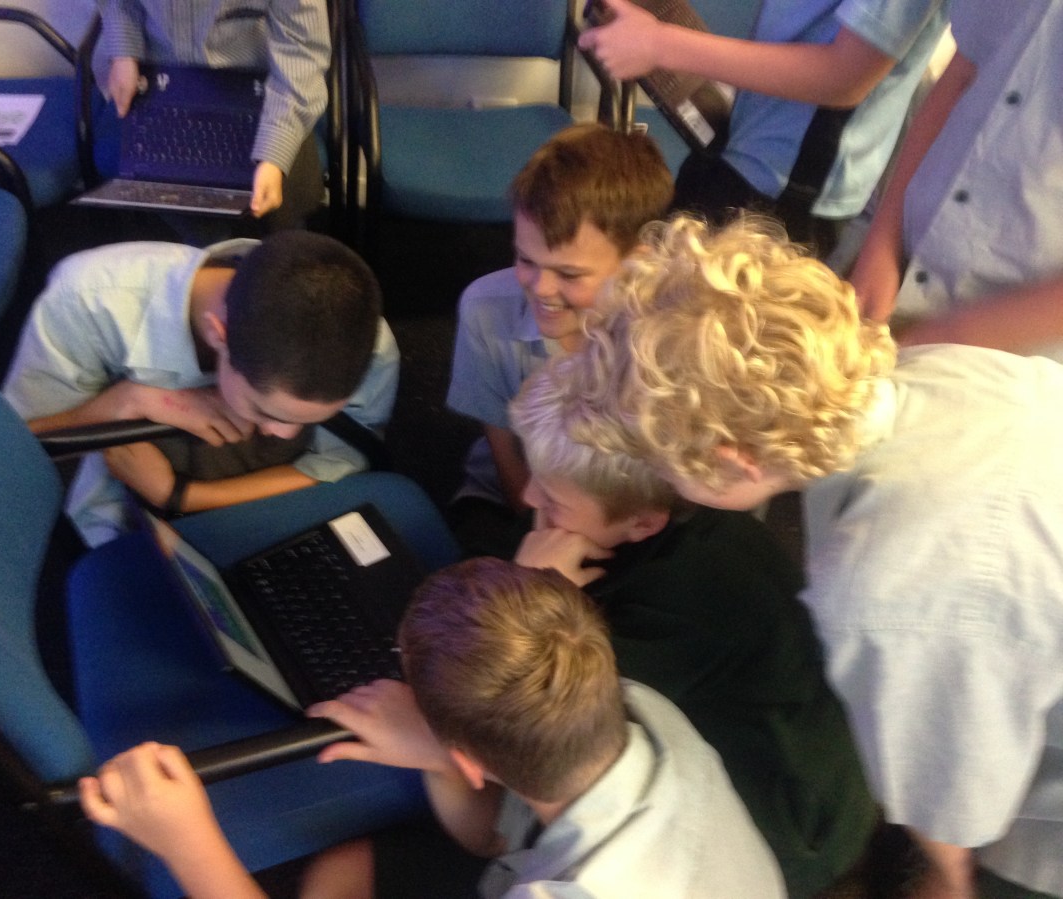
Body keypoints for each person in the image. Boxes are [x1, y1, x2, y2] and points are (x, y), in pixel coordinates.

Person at [549, 213, 1063, 898]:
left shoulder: (887, 591)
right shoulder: (941, 366)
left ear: (734, 460)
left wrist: (946, 872)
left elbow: (953, 797)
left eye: (664, 465)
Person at [79, 558, 786, 899]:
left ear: (477, 760)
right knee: (339, 874)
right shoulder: (643, 710)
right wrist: (441, 754)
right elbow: (497, 838)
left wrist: (187, 842)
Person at [506, 364, 878, 898]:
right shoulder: (672, 518)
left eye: (552, 500)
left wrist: (531, 593)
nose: (527, 499)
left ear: (643, 523)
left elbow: (547, 722)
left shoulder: (678, 602)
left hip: (790, 832)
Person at [2, 231, 397, 547]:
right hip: (125, 509)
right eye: (265, 411)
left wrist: (179, 495)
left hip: (234, 497)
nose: (285, 433)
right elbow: (18, 444)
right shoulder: (88, 302)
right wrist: (126, 401)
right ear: (217, 335)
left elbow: (338, 460)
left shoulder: (368, 342)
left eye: (311, 420)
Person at [445, 122, 674, 558]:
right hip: (517, 499)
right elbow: (506, 455)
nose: (541, 289)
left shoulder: (676, 330)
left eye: (569, 274)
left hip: (624, 510)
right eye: (525, 259)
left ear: (636, 263)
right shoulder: (485, 309)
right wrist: (540, 539)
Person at [577, 0, 949, 258]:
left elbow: (845, 77)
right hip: (737, 142)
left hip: (787, 187)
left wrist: (659, 44)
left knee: (703, 335)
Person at [850, 0, 1063, 365]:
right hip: (906, 267)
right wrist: (883, 242)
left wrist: (942, 334)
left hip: (1014, 354)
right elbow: (965, 71)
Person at [98, 0, 329, 225]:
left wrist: (274, 152)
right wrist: (124, 52)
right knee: (128, 172)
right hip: (161, 77)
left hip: (262, 90)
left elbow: (302, 52)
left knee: (285, 193)